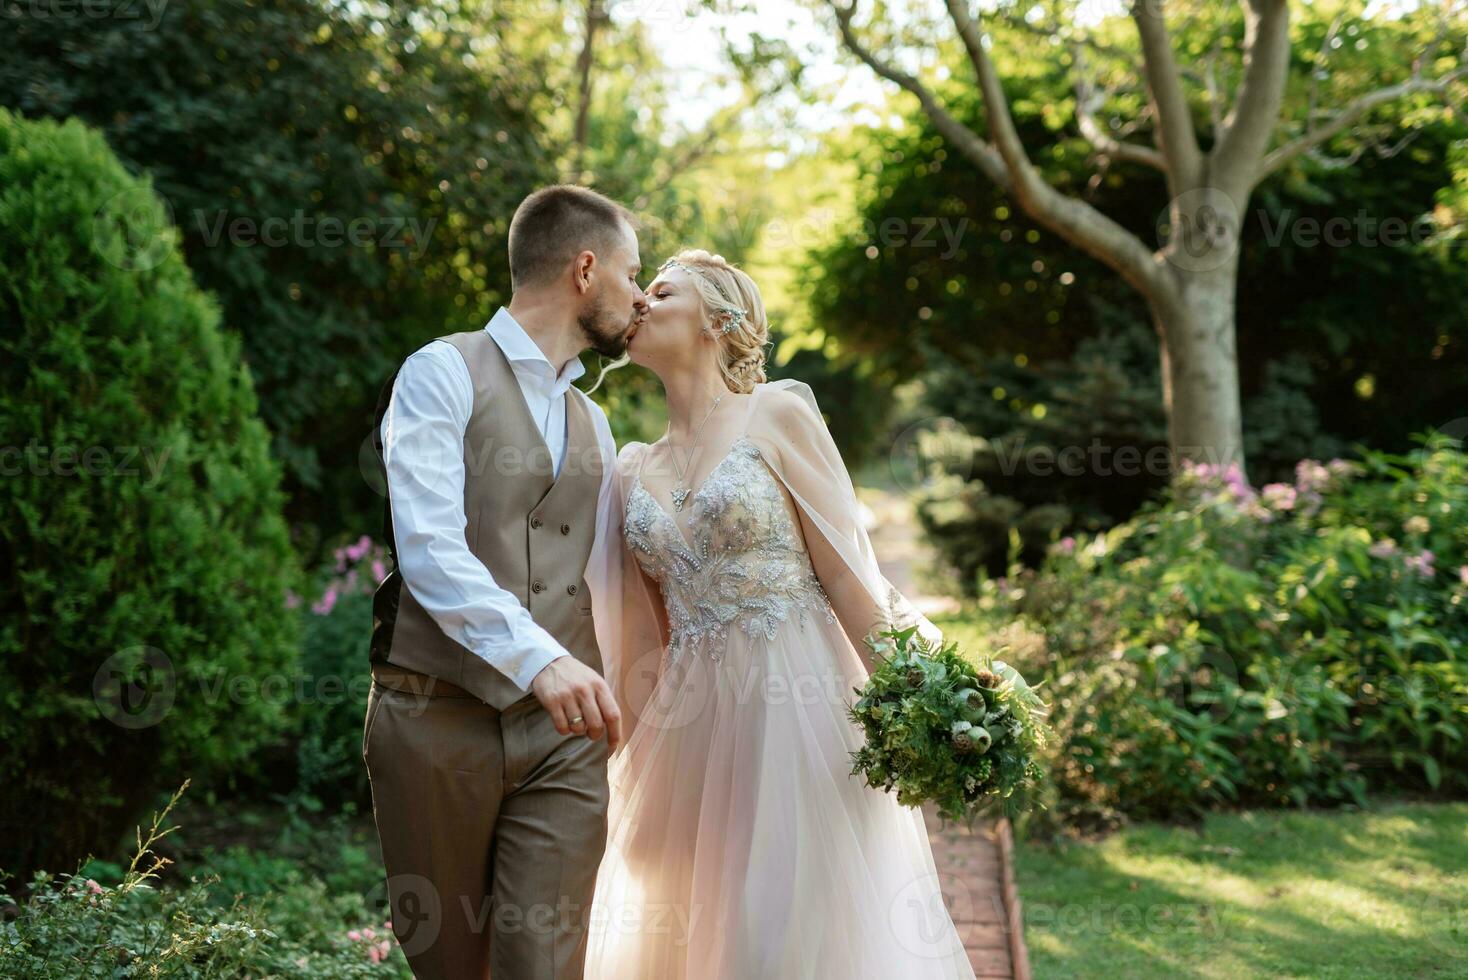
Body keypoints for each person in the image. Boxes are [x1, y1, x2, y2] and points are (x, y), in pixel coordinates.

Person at [583, 249, 977, 978]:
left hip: (798, 715)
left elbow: (849, 577)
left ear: (718, 321)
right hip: (691, 734)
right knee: (699, 936)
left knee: (780, 934)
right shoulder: (630, 468)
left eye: (661, 291)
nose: (640, 302)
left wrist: (931, 706)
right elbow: (644, 639)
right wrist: (618, 778)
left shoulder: (778, 414)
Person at [362, 184, 642, 979]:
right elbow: (429, 549)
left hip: (565, 743)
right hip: (435, 721)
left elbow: (602, 571)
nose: (638, 298)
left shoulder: (594, 419)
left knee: (545, 966)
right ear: (585, 269)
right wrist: (539, 660)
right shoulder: (441, 372)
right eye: (631, 274)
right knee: (451, 966)